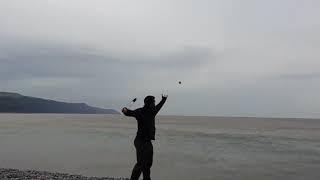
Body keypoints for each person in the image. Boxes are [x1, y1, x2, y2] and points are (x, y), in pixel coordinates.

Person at [122, 94, 168, 180]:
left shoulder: (143, 111)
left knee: (148, 163)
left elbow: (128, 112)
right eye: (153, 102)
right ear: (149, 103)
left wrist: (125, 110)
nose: (154, 103)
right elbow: (128, 113)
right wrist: (164, 99)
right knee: (141, 163)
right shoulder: (147, 111)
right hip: (140, 141)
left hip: (146, 141)